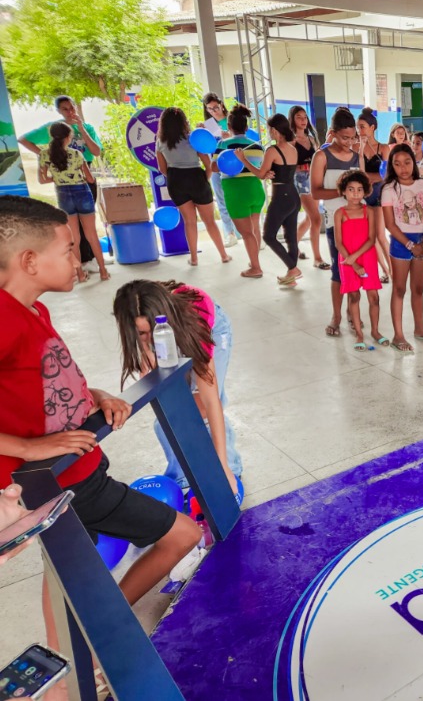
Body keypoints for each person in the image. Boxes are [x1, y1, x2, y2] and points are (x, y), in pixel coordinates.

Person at [0, 196, 201, 670]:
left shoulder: (33, 310)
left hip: (73, 472)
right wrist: (27, 447)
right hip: (64, 482)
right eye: (69, 249)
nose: (80, 259)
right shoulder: (5, 318)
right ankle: (106, 631)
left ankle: (78, 657)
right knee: (183, 534)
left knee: (68, 575)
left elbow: (48, 381)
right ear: (30, 261)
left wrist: (95, 396)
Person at [113, 280, 242, 502]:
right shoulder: (136, 310)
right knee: (173, 412)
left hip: (207, 327)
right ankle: (181, 475)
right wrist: (146, 353)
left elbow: (212, 402)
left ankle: (230, 466)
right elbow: (144, 333)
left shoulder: (195, 323)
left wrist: (222, 467)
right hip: (168, 327)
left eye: (148, 333)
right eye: (141, 334)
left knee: (202, 404)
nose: (147, 340)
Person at [18, 96, 103, 270]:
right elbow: (23, 139)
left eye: (72, 107)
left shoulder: (86, 128)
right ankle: (84, 262)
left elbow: (95, 151)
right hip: (68, 182)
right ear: (58, 111)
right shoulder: (54, 128)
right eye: (65, 109)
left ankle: (91, 260)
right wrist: (47, 156)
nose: (70, 111)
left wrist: (81, 128)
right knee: (76, 228)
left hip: (83, 176)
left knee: (87, 224)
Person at [313, 108, 366, 339]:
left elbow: (362, 187)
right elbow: (315, 192)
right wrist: (343, 191)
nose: (349, 142)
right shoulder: (321, 156)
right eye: (344, 138)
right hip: (336, 222)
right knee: (338, 269)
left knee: (357, 269)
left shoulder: (356, 156)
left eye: (352, 137)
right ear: (332, 133)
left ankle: (353, 312)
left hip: (358, 221)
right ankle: (336, 316)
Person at [155, 107, 231, 267]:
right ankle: (223, 255)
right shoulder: (193, 139)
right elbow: (208, 164)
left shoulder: (161, 142)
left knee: (189, 221)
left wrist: (175, 178)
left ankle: (194, 258)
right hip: (196, 177)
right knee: (209, 221)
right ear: (184, 122)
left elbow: (162, 169)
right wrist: (205, 178)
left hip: (175, 180)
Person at [381, 142, 423, 352]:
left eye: (407, 162)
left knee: (419, 288)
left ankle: (420, 328)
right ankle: (398, 335)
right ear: (391, 167)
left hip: (421, 242)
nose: (403, 168)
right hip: (401, 243)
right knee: (399, 288)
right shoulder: (389, 189)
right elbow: (389, 224)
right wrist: (410, 244)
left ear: (413, 163)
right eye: (397, 164)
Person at [37, 122, 109, 283]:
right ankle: (103, 271)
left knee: (74, 237)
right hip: (82, 191)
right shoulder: (76, 154)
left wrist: (56, 178)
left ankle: (80, 275)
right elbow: (90, 178)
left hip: (63, 194)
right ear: (68, 137)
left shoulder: (44, 154)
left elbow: (42, 180)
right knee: (91, 235)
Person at [236, 113, 302, 286]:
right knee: (291, 237)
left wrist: (243, 160)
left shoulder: (273, 150)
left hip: (281, 196)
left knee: (268, 236)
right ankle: (291, 276)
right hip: (293, 195)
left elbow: (259, 174)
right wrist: (269, 174)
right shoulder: (293, 149)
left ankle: (292, 268)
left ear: (274, 130)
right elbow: (279, 171)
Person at [332, 171, 386, 350]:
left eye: (359, 190)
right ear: (344, 192)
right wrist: (353, 263)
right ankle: (359, 334)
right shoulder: (339, 214)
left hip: (367, 257)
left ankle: (375, 331)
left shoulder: (369, 211)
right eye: (351, 189)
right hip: (347, 260)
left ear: (365, 192)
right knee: (354, 296)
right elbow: (338, 243)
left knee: (374, 297)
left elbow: (372, 239)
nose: (355, 193)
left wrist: (355, 258)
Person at [212, 104, 266, 279]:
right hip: (256, 190)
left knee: (247, 233)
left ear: (229, 126)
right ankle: (254, 260)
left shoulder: (222, 144)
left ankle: (256, 267)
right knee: (254, 228)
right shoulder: (257, 146)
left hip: (236, 192)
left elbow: (214, 167)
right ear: (246, 127)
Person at [289, 106, 329, 270]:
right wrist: (302, 167)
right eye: (299, 117)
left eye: (305, 117)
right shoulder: (291, 140)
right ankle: (317, 258)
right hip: (300, 180)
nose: (303, 120)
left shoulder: (312, 139)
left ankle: (293, 247)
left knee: (309, 218)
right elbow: (289, 163)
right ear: (293, 119)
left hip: (314, 178)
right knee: (316, 218)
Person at [200, 92, 241, 248]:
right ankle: (229, 233)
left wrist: (228, 137)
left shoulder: (232, 120)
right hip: (216, 166)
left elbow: (241, 140)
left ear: (222, 104)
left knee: (237, 198)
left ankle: (242, 231)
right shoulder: (209, 125)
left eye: (215, 107)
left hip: (235, 165)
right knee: (222, 201)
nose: (213, 111)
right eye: (209, 109)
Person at [357, 108, 393, 283]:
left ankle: (393, 271)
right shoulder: (358, 149)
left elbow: (386, 175)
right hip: (363, 196)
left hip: (379, 195)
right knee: (370, 237)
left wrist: (367, 178)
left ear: (372, 127)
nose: (360, 131)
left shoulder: (383, 148)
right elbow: (358, 173)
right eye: (358, 127)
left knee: (380, 234)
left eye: (363, 127)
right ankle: (385, 271)